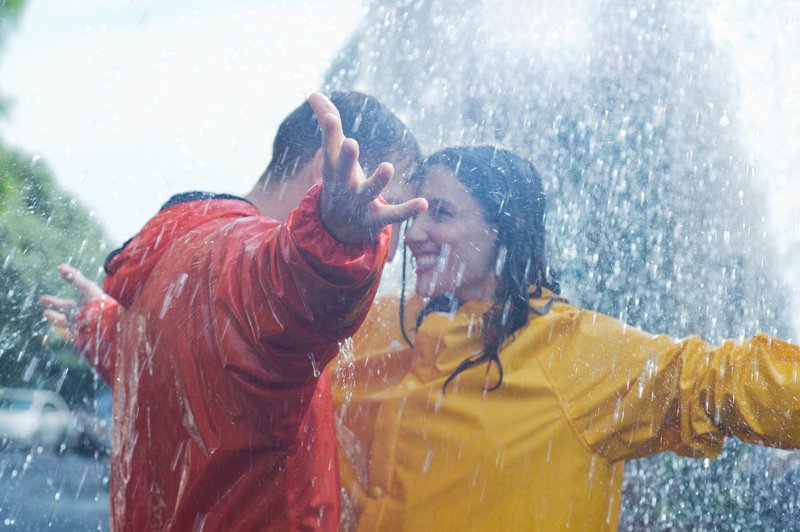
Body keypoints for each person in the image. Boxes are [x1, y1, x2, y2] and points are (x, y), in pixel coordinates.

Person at [331, 146, 800, 531]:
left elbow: (714, 380)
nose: (414, 235)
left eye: (442, 214)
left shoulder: (570, 351)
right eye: (413, 215)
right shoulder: (387, 326)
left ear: (504, 230)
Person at [38, 91, 427, 531]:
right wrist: (335, 238)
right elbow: (283, 292)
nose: (392, 249)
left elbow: (188, 372)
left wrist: (102, 327)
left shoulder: (184, 254)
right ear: (325, 172)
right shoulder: (251, 260)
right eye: (385, 207)